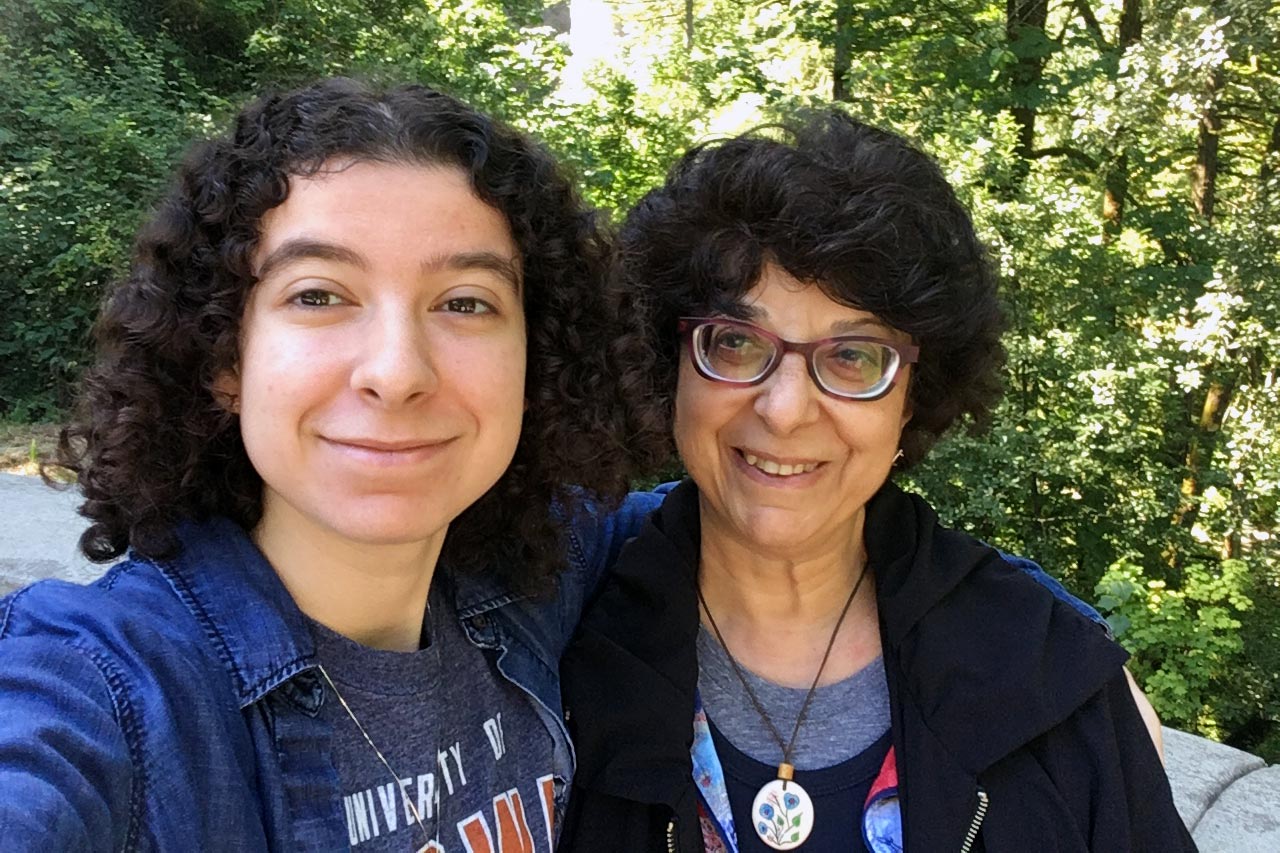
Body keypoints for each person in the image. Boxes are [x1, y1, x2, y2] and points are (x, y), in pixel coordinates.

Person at [0, 77, 662, 851]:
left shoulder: (530, 585)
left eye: (465, 301)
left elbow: (751, 506)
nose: (397, 369)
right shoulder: (106, 689)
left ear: (534, 360)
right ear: (226, 359)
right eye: (318, 295)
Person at [558, 112, 1194, 852]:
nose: (786, 409)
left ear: (913, 397)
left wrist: (1088, 667)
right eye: (734, 342)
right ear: (671, 366)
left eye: (854, 356)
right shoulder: (554, 642)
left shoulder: (1050, 678)